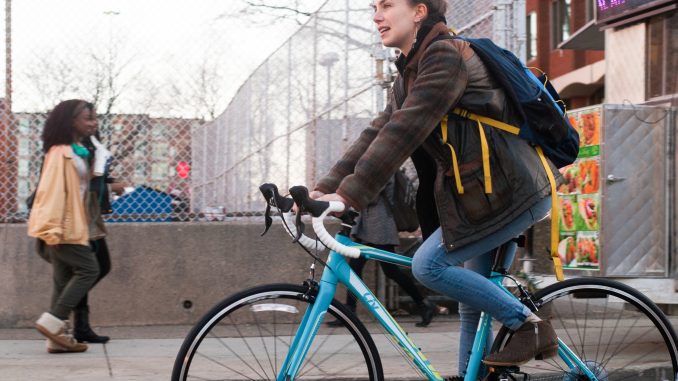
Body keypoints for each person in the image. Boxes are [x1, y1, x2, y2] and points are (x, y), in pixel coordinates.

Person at [311, 0, 558, 377]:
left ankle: (529, 325)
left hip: (512, 194)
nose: (376, 15)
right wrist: (324, 190)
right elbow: (377, 132)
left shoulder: (446, 58)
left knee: (429, 266)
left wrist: (348, 196)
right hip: (483, 198)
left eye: (387, 5)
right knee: (470, 305)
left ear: (419, 12)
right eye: (374, 6)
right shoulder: (411, 70)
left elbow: (404, 132)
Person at [28, 99, 101, 353]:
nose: (93, 123)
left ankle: (56, 340)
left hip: (71, 224)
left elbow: (79, 188)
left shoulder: (76, 150)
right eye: (87, 118)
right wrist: (53, 228)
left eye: (94, 117)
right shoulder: (60, 152)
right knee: (90, 269)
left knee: (63, 279)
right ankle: (52, 322)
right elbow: (51, 192)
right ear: (71, 121)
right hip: (63, 226)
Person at [328, 175, 436, 327]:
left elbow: (371, 196)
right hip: (367, 228)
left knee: (391, 271)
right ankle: (349, 311)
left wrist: (347, 196)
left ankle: (423, 304)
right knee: (354, 269)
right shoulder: (367, 166)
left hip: (380, 227)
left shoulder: (383, 169)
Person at [73, 129, 125, 343]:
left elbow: (97, 174)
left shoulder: (92, 143)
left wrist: (111, 181)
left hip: (91, 214)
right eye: (88, 118)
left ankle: (79, 324)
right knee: (95, 267)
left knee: (91, 269)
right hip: (83, 215)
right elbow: (85, 182)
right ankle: (67, 310)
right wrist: (112, 186)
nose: (93, 122)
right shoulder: (78, 146)